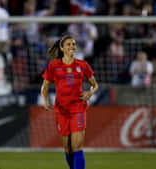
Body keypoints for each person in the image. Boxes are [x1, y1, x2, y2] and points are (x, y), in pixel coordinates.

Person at [41, 35, 98, 169]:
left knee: (77, 146)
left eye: (73, 44)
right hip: (61, 110)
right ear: (62, 48)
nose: (72, 46)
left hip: (78, 107)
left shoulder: (83, 65)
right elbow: (45, 86)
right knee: (67, 148)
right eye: (68, 44)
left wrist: (90, 93)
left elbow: (95, 85)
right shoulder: (54, 65)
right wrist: (44, 100)